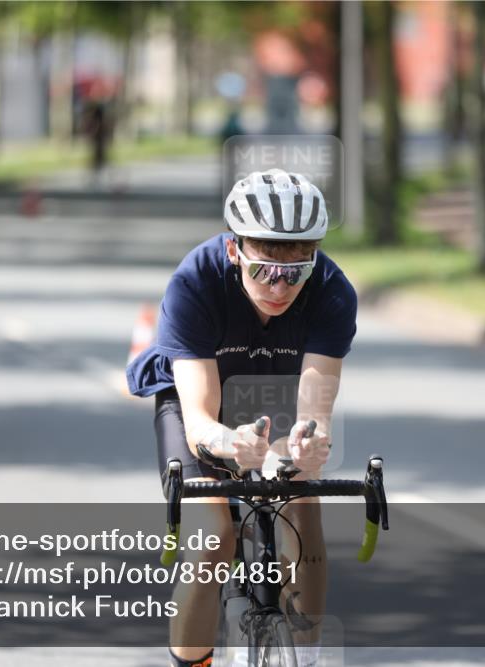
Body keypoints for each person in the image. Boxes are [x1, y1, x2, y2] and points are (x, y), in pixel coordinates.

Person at [126, 169, 357, 667]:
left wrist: (309, 441)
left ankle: (306, 657)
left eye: (296, 271)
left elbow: (315, 409)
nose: (279, 286)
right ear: (234, 250)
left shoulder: (333, 291)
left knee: (302, 504)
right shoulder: (195, 282)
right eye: (263, 269)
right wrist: (231, 446)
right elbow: (201, 421)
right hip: (200, 394)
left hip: (274, 385)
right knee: (214, 536)